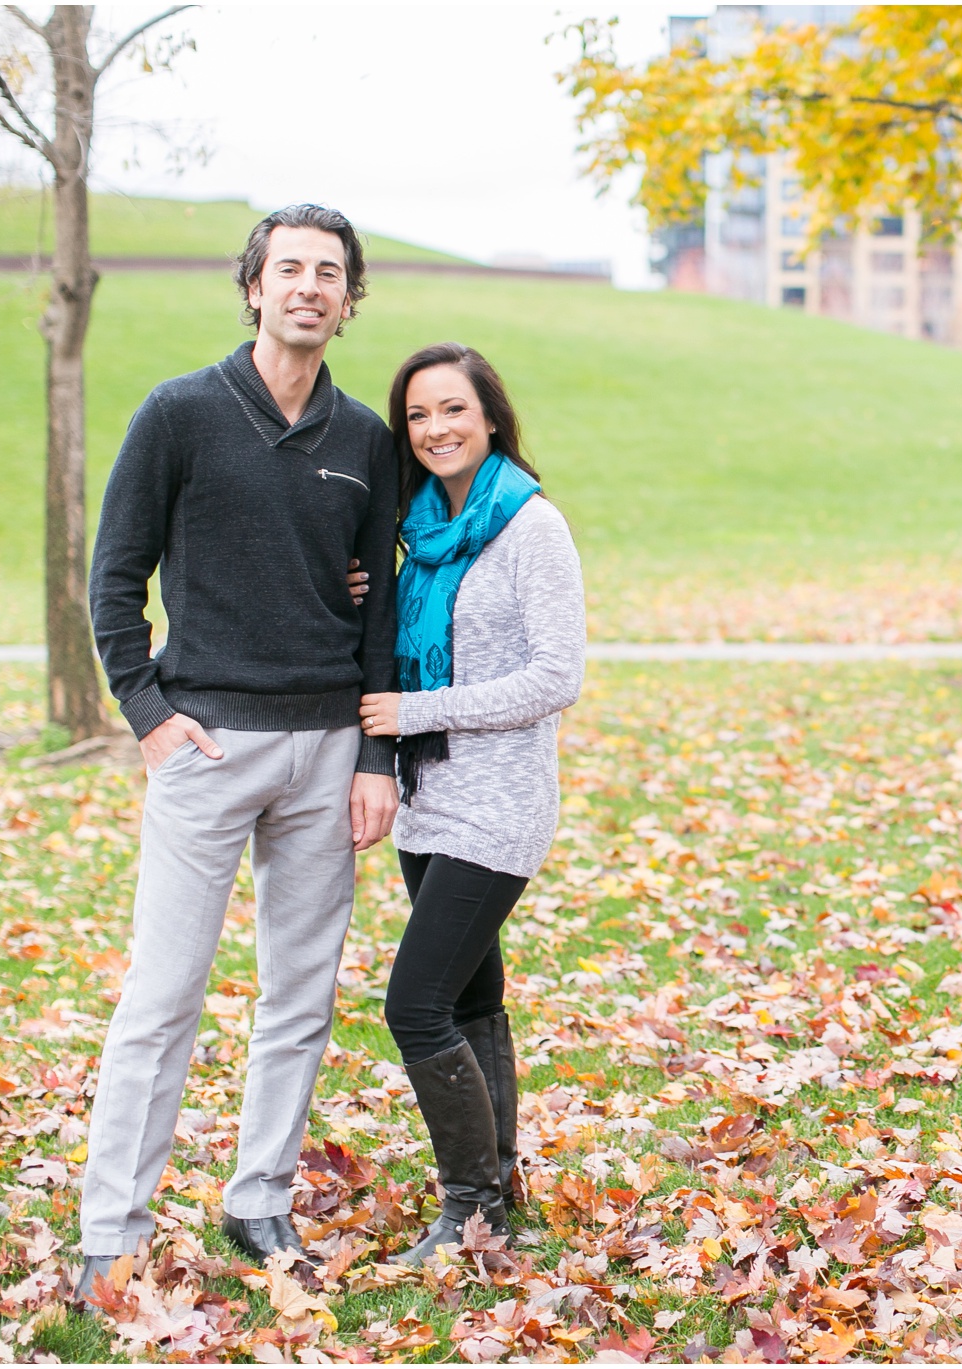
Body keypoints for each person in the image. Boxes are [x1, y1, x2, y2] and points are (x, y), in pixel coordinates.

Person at [75, 205, 400, 1297]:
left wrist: (373, 756)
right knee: (162, 993)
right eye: (290, 269)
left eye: (331, 274)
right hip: (207, 747)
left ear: (350, 303)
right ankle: (110, 1225)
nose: (310, 286)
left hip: (325, 752)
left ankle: (258, 1198)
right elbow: (114, 578)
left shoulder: (365, 441)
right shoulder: (178, 414)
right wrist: (148, 711)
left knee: (299, 995)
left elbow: (380, 605)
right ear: (254, 286)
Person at [356, 342, 585, 1264]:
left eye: (453, 409)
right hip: (429, 801)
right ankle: (498, 1187)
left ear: (490, 416)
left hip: (499, 805)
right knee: (473, 996)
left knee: (414, 1005)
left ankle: (468, 1209)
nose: (435, 428)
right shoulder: (418, 537)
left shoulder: (531, 526)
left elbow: (555, 675)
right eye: (417, 415)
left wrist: (421, 709)